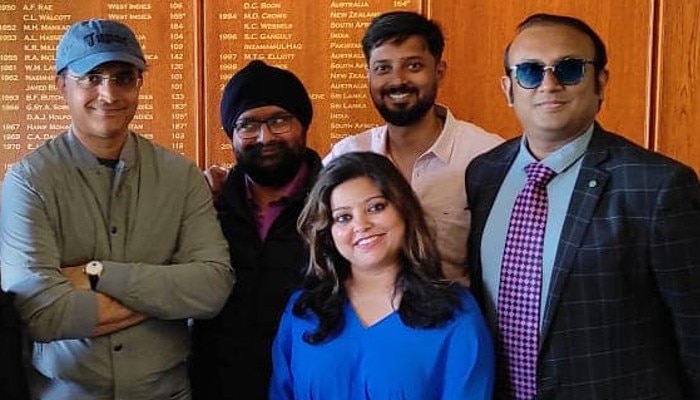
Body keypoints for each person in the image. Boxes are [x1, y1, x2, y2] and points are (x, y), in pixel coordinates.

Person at [466, 13, 700, 399]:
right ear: (509, 89)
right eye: (530, 72)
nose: (549, 84)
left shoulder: (657, 186)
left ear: (600, 82)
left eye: (569, 69)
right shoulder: (484, 174)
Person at [0, 19, 233, 399]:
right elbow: (42, 314)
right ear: (62, 85)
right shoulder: (28, 183)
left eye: (123, 77)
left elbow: (212, 288)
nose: (108, 94)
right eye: (91, 77)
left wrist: (96, 274)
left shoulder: (181, 176)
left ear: (139, 83)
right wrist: (164, 295)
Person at [270, 151, 495, 400]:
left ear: (404, 210)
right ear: (328, 232)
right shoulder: (302, 310)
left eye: (376, 207)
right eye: (343, 217)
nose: (361, 224)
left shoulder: (455, 311)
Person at [325, 11, 503, 283]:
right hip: (365, 319)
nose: (397, 80)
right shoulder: (346, 156)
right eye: (383, 68)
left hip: (455, 318)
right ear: (368, 75)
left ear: (439, 71)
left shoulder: (489, 156)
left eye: (413, 66)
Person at [189, 60, 323, 400]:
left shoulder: (335, 207)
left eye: (279, 121)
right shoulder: (205, 206)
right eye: (247, 125)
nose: (265, 137)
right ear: (232, 135)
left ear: (303, 124)